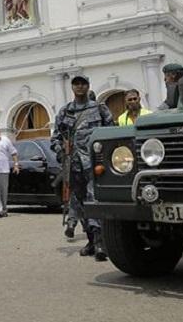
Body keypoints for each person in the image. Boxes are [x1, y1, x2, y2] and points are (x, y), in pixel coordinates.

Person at [51, 75, 112, 260]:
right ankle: (92, 241)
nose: (79, 87)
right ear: (72, 87)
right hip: (74, 165)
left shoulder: (99, 109)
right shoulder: (65, 112)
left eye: (83, 84)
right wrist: (62, 152)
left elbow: (111, 133)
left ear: (88, 86)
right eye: (76, 84)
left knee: (94, 200)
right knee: (81, 202)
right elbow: (55, 138)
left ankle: (101, 242)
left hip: (95, 164)